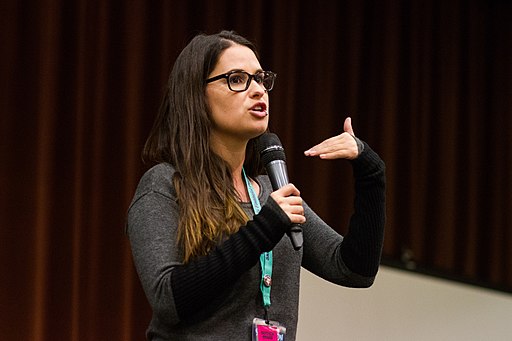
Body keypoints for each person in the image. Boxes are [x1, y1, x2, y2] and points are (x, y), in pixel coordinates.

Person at [126, 30, 385, 341]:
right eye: (237, 79)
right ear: (196, 94)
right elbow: (168, 299)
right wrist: (266, 226)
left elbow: (355, 270)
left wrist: (371, 173)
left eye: (261, 79)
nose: (258, 90)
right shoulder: (164, 184)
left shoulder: (271, 193)